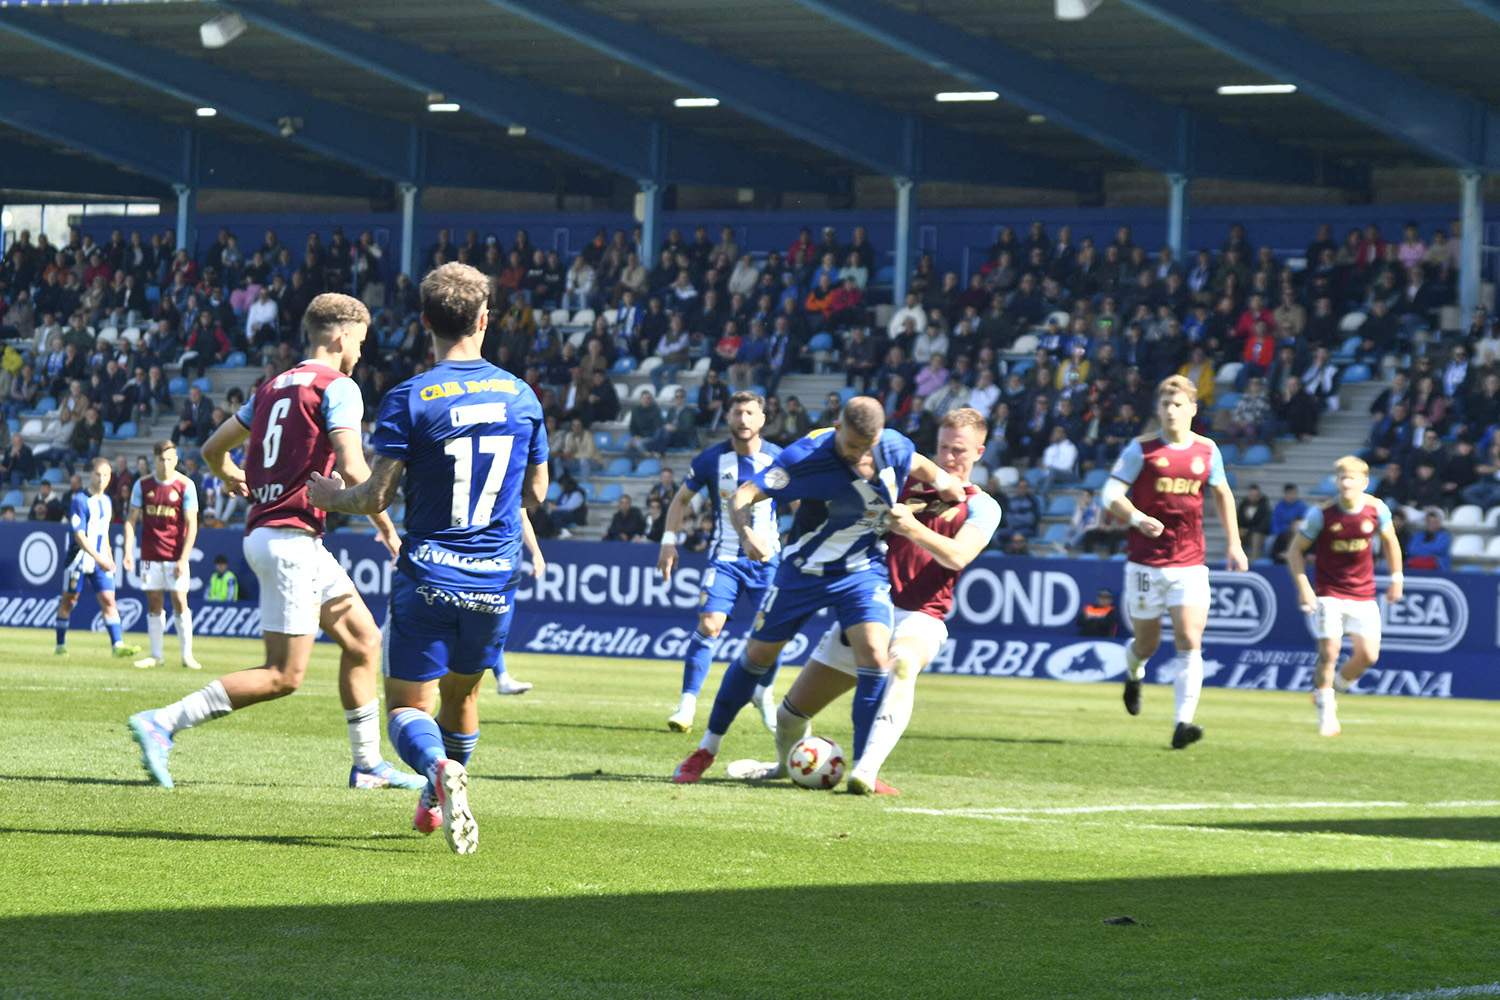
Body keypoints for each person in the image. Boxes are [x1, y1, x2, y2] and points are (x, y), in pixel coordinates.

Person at [127, 293, 420, 794]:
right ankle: (164, 721)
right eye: (360, 342)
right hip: (287, 540)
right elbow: (353, 468)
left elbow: (210, 448)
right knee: (284, 675)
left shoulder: (270, 388)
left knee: (364, 639)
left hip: (284, 536)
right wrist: (389, 529)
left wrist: (235, 477)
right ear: (339, 335)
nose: (361, 353)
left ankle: (368, 765)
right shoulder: (338, 386)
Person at [304, 262, 549, 854]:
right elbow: (536, 494)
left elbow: (376, 495)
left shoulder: (410, 398)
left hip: (430, 576)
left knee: (407, 710)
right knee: (463, 697)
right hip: (494, 579)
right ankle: (436, 795)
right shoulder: (521, 395)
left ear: (424, 323)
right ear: (486, 320)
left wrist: (331, 496)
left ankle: (436, 772)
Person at [671, 396, 965, 784]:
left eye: (864, 447)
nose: (855, 452)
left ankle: (864, 769)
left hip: (862, 570)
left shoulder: (893, 444)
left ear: (876, 437)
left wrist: (948, 486)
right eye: (849, 443)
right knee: (758, 654)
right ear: (838, 425)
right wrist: (747, 534)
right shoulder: (804, 457)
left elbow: (921, 465)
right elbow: (743, 494)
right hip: (803, 571)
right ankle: (707, 748)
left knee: (876, 655)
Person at [1100, 374, 1247, 749]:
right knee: (1147, 643)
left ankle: (1183, 723)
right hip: (1146, 562)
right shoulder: (1142, 449)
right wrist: (1136, 517)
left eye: (1178, 404)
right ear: (1158, 410)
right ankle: (1134, 673)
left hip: (1190, 562)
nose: (1171, 411)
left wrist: (1234, 543)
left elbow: (1223, 494)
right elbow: (1110, 493)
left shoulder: (1207, 451)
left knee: (1189, 638)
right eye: (1165, 404)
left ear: (1193, 410)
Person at [657, 392, 782, 733]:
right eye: (737, 412)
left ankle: (764, 694)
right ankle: (687, 704)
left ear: (762, 419)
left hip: (768, 562)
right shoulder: (712, 459)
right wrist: (669, 543)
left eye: (750, 413)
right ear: (728, 417)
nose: (743, 419)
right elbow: (680, 500)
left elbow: (802, 504)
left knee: (773, 634)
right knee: (710, 624)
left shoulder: (779, 460)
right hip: (725, 558)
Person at [1286, 456, 1403, 737]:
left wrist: (1397, 579)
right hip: (1330, 594)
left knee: (1369, 656)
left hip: (1364, 594)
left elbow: (1391, 544)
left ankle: (1331, 690)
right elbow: (1294, 551)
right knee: (1329, 652)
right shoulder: (1322, 515)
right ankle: (1327, 714)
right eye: (1342, 478)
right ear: (1336, 482)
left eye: (1351, 478)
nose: (1346, 483)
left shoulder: (1376, 510)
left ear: (1364, 482)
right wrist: (1304, 587)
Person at [121, 440, 201, 670]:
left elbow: (191, 525)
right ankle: (156, 655)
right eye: (161, 459)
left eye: (169, 459)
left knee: (179, 600)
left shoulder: (186, 485)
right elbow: (131, 520)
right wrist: (128, 550)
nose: (165, 463)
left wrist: (184, 558)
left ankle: (187, 655)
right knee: (154, 602)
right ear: (154, 460)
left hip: (176, 555)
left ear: (176, 459)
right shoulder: (142, 485)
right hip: (150, 554)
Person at [53, 457, 141, 659]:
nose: (102, 479)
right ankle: (60, 644)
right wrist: (100, 558)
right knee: (69, 600)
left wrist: (108, 555)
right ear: (90, 475)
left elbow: (104, 533)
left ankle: (117, 645)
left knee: (109, 600)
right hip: (78, 560)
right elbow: (79, 535)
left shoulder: (107, 501)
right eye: (98, 474)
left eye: (106, 475)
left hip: (100, 560)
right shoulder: (80, 500)